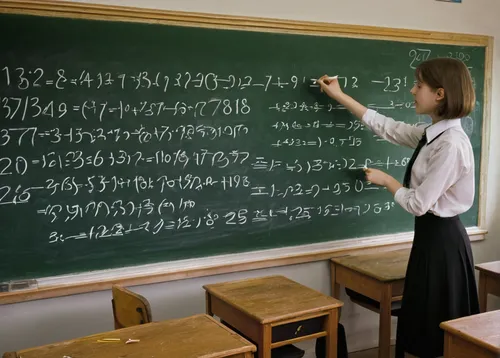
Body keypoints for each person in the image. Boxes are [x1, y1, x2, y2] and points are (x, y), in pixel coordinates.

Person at [316, 57, 480, 358]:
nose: (412, 90)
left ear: (440, 94)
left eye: (419, 85)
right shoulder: (432, 135)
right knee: (423, 322)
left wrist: (387, 180)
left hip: (443, 243)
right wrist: (339, 95)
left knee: (437, 327)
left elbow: (419, 203)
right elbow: (387, 127)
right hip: (430, 239)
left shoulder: (450, 144)